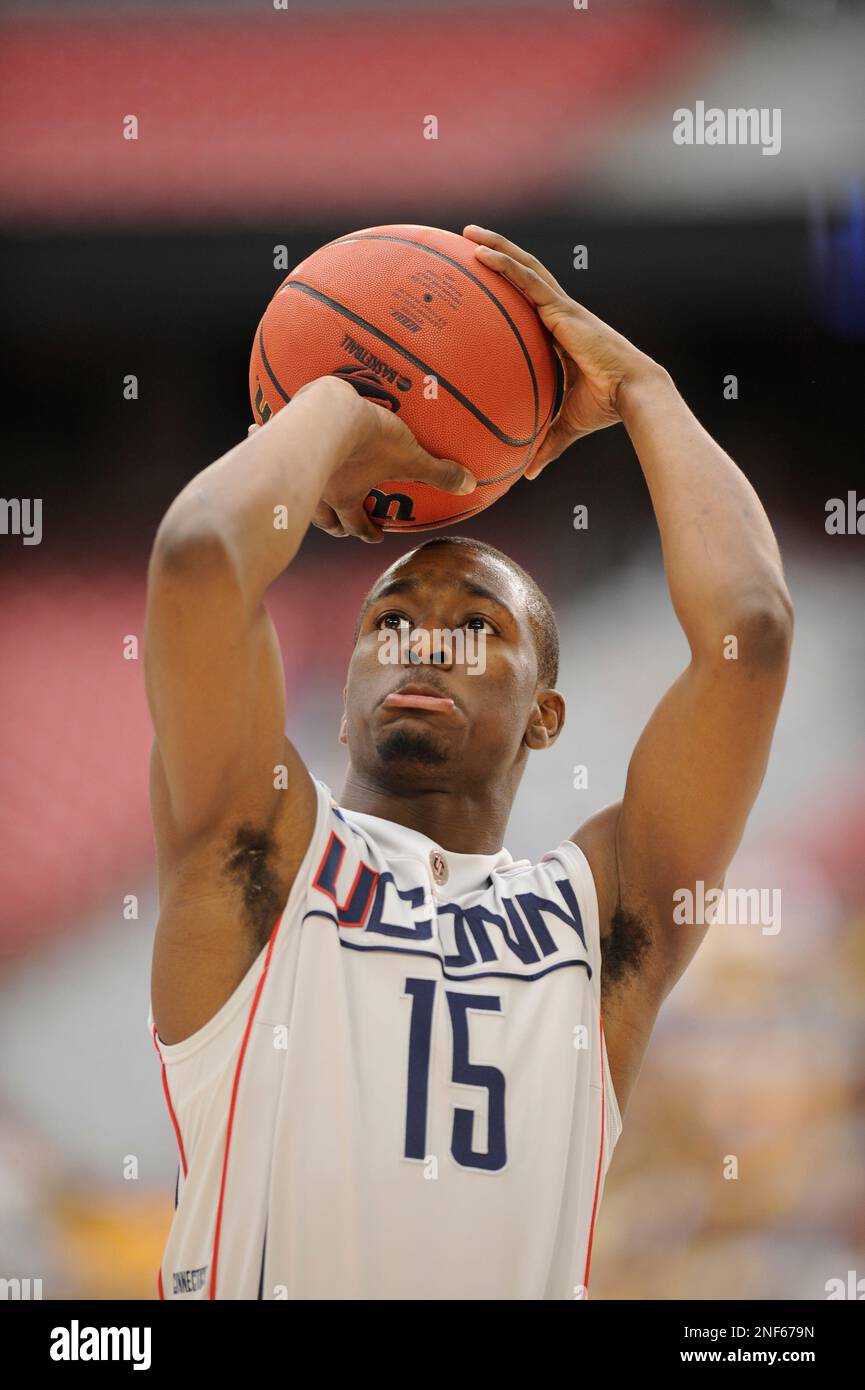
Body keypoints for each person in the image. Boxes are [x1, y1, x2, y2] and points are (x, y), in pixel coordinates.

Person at [145, 225, 793, 1300]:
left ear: (545, 715)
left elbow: (752, 635)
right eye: (389, 617)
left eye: (477, 623)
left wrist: (643, 387)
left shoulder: (601, 918)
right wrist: (346, 405)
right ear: (341, 705)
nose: (425, 638)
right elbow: (201, 556)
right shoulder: (256, 853)